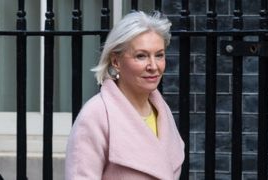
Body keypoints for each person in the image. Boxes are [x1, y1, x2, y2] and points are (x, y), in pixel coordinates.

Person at [65, 11, 185, 180]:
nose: (153, 66)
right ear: (116, 61)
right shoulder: (96, 115)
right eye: (141, 56)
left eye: (159, 55)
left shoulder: (162, 111)